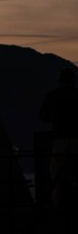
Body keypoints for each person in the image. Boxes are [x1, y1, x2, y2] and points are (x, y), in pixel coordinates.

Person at [41, 66, 78, 210]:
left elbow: (44, 116)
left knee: (57, 177)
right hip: (76, 141)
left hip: (59, 141)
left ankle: (58, 209)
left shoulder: (53, 96)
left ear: (60, 80)